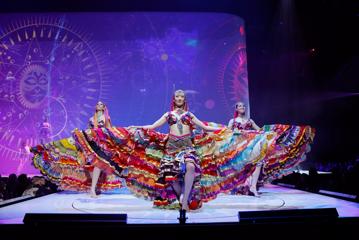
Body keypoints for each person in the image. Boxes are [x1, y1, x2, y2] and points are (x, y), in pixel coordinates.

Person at [31, 101, 123, 196]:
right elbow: (88, 130)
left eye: (101, 104)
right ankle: (93, 187)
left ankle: (93, 188)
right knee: (89, 166)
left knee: (98, 165)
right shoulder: (92, 118)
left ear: (104, 107)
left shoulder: (106, 118)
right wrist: (80, 135)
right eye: (98, 104)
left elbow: (109, 130)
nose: (99, 105)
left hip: (101, 143)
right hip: (90, 143)